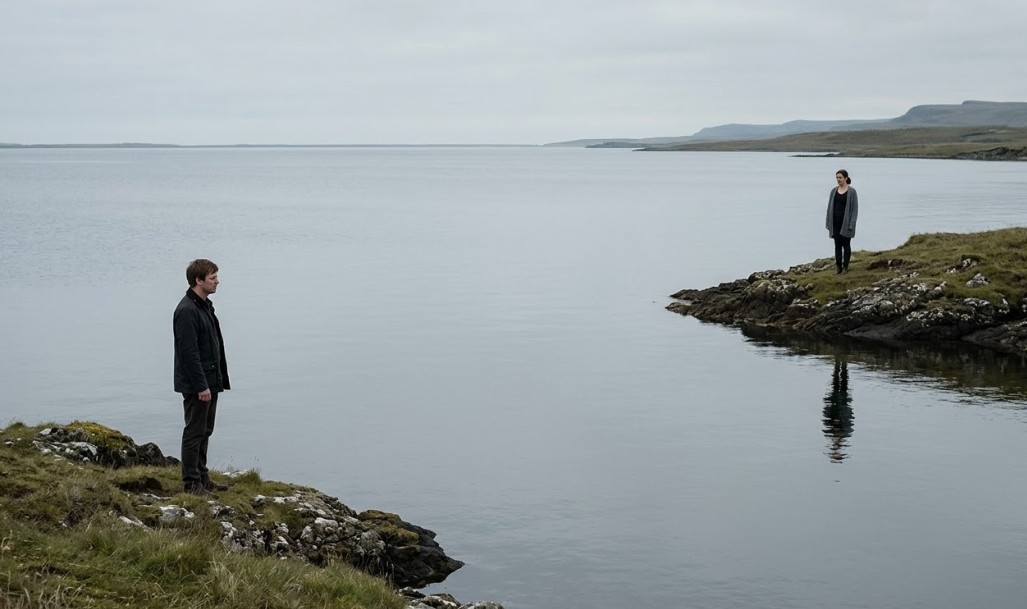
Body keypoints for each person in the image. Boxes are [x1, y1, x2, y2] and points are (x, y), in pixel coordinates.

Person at [173, 259, 231, 494]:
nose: (217, 281)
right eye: (212, 278)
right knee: (194, 430)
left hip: (210, 380)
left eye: (216, 276)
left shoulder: (205, 306)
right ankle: (191, 483)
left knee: (205, 429)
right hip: (199, 384)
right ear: (198, 280)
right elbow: (189, 353)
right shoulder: (187, 310)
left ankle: (202, 476)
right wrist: (201, 386)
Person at [825, 169, 858, 274]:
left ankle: (845, 267)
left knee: (846, 245)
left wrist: (852, 224)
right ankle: (838, 267)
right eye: (837, 178)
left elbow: (855, 210)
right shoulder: (833, 191)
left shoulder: (852, 192)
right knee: (837, 245)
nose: (838, 180)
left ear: (846, 178)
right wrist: (828, 222)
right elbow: (829, 207)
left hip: (846, 224)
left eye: (840, 177)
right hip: (835, 223)